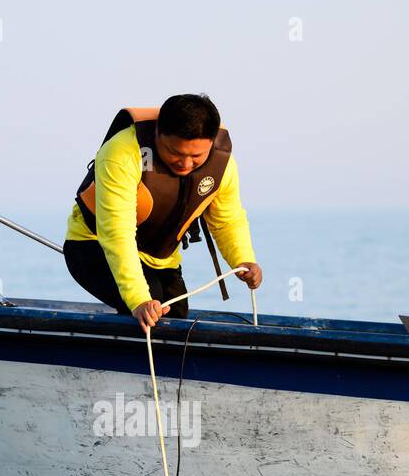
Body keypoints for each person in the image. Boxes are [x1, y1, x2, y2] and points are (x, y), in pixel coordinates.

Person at [64, 94, 262, 333]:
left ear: (210, 143)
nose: (185, 164)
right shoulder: (123, 152)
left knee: (176, 316)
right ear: (158, 133)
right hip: (92, 246)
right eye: (175, 152)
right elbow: (117, 233)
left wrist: (244, 260)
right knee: (151, 308)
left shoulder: (224, 165)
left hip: (160, 258)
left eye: (196, 157)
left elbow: (227, 219)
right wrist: (138, 300)